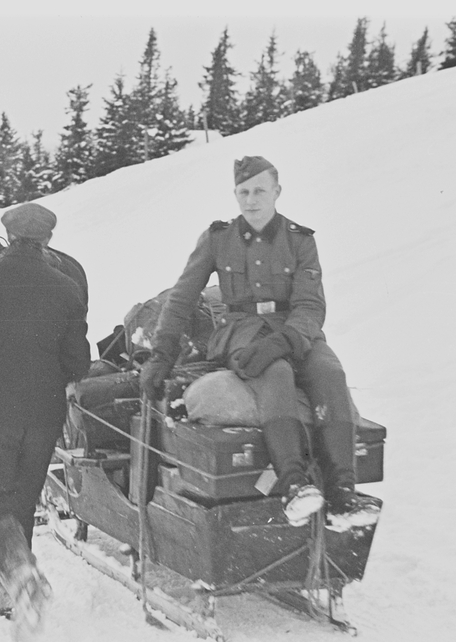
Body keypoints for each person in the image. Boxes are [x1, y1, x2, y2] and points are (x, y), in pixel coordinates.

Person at [140, 156, 378, 527]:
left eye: (260, 191)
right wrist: (162, 352)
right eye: (244, 192)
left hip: (295, 329)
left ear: (277, 192)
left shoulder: (300, 240)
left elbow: (311, 304)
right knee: (276, 373)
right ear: (235, 195)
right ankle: (294, 485)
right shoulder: (218, 239)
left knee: (331, 372)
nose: (251, 200)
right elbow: (182, 298)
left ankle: (342, 494)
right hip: (242, 331)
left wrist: (286, 339)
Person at [0, 202, 91, 636]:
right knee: (22, 502)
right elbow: (78, 362)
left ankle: (21, 573)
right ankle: (5, 593)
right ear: (48, 239)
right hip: (44, 414)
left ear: (7, 236)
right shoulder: (66, 288)